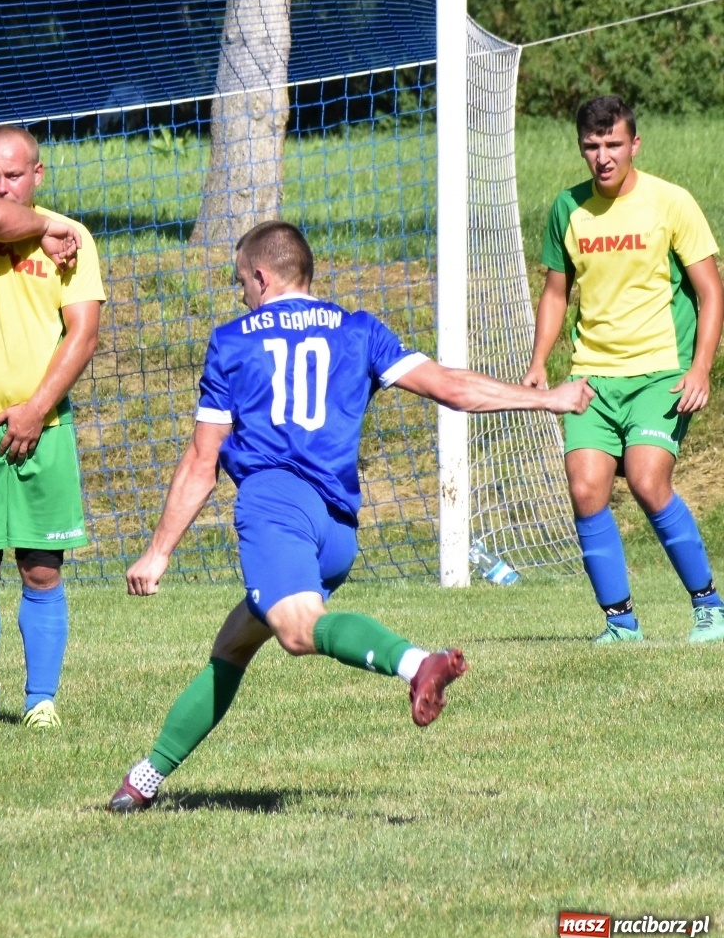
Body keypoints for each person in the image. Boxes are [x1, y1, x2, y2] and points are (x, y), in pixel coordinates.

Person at [108, 220, 595, 812]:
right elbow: (452, 388)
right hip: (337, 529)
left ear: (261, 276)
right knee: (233, 646)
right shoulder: (359, 329)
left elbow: (201, 460)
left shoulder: (232, 340)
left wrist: (158, 551)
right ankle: (143, 780)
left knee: (296, 629)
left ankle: (419, 663)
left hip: (275, 504)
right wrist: (547, 398)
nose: (241, 294)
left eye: (242, 281)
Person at [523, 95, 724, 644]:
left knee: (647, 479)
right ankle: (621, 623)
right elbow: (556, 292)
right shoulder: (568, 207)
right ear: (581, 148)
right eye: (592, 146)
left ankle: (709, 606)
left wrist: (701, 368)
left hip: (662, 373)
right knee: (586, 490)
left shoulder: (671, 202)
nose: (603, 156)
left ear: (635, 143)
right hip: (592, 376)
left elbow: (711, 291)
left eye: (613, 144)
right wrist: (541, 362)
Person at [0, 126, 102, 731]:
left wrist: (35, 410)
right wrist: (41, 227)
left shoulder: (73, 239)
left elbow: (83, 334)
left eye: (13, 175)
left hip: (45, 423)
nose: (2, 187)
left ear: (38, 174)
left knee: (41, 569)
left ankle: (40, 704)